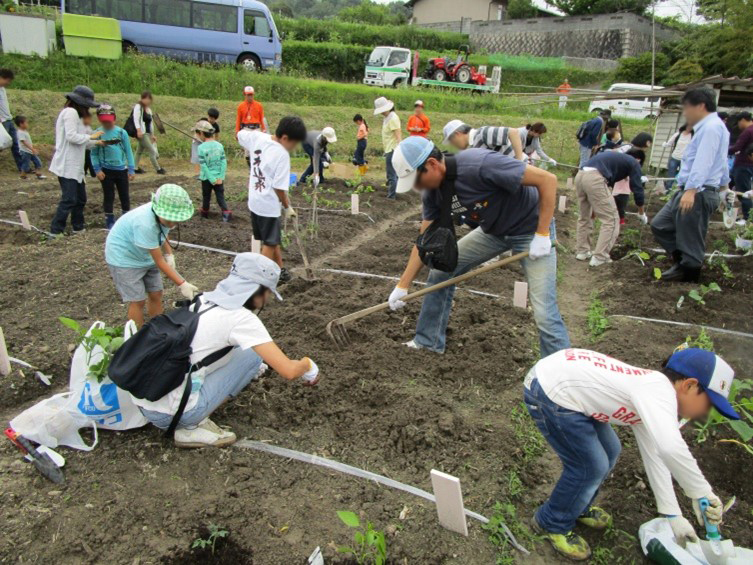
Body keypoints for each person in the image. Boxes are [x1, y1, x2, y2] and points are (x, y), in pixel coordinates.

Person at [525, 346, 737, 561]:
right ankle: (551, 522)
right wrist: (702, 492)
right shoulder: (658, 392)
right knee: (591, 466)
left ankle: (577, 506)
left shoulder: (655, 394)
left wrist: (673, 514)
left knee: (611, 451)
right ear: (690, 385)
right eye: (707, 403)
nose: (705, 412)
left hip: (570, 388)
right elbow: (670, 447)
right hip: (551, 392)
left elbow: (655, 452)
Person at [386, 136, 570, 356]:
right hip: (493, 232)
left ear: (432, 164)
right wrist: (402, 286)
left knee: (543, 311)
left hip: (530, 228)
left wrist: (541, 234)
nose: (417, 188)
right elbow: (424, 240)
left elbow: (548, 180)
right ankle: (428, 343)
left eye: (417, 180)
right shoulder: (433, 192)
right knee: (440, 272)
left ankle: (560, 372)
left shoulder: (478, 165)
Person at [134, 253, 320, 448]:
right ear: (258, 291)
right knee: (254, 355)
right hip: (173, 416)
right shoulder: (242, 319)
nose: (267, 299)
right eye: (268, 293)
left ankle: (189, 409)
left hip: (145, 401)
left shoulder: (202, 301)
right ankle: (192, 426)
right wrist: (308, 364)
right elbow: (289, 371)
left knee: (242, 351)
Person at [651, 88, 729, 283]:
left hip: (697, 192)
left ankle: (690, 276)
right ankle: (681, 263)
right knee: (660, 225)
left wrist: (692, 190)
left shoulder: (712, 128)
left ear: (701, 106)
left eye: (687, 107)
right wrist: (724, 186)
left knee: (691, 237)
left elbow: (703, 161)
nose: (685, 112)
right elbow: (721, 162)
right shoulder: (709, 127)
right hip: (689, 189)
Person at [105, 184, 199, 326]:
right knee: (137, 300)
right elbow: (159, 261)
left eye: (176, 220)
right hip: (124, 258)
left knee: (156, 293)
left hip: (144, 254)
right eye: (169, 220)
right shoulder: (145, 223)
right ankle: (137, 337)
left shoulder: (162, 216)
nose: (172, 224)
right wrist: (182, 283)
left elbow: (161, 235)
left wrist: (169, 254)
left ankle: (158, 328)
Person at [238, 116, 307, 283]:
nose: (294, 148)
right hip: (268, 206)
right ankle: (256, 280)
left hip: (254, 201)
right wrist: (287, 206)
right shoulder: (282, 155)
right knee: (269, 243)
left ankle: (280, 270)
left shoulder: (258, 137)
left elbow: (240, 134)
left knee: (271, 239)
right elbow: (279, 188)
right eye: (294, 143)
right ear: (284, 138)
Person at [49, 86, 105, 236]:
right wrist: (91, 137)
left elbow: (85, 142)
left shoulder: (80, 118)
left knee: (80, 199)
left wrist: (98, 142)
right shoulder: (70, 113)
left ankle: (78, 227)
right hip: (67, 164)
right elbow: (72, 137)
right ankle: (55, 231)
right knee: (69, 199)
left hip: (76, 165)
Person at [575, 150, 647, 266]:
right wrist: (641, 212)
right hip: (595, 178)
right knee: (612, 219)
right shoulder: (634, 163)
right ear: (639, 159)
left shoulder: (616, 158)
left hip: (580, 175)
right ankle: (600, 257)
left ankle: (582, 251)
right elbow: (637, 189)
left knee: (585, 216)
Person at [90, 104, 135, 230]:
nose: (107, 123)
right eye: (104, 120)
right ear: (99, 119)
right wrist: (97, 170)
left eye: (109, 120)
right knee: (109, 195)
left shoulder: (121, 132)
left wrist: (131, 169)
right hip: (106, 171)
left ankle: (126, 218)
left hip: (121, 170)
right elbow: (93, 153)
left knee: (124, 195)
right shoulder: (97, 133)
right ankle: (109, 219)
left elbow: (128, 151)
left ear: (114, 118)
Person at [195, 120, 230, 222]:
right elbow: (224, 163)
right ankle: (226, 215)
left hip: (206, 178)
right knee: (220, 197)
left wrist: (211, 179)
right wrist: (220, 177)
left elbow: (204, 166)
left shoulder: (201, 148)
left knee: (206, 197)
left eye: (197, 133)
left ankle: (205, 214)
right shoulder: (219, 145)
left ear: (201, 133)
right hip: (219, 178)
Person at [443, 119, 524, 161]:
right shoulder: (473, 147)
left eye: (451, 141)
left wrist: (519, 163)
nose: (453, 145)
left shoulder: (482, 133)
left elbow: (513, 132)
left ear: (458, 134)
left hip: (525, 174)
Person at [728, 111, 753, 223]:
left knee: (743, 192)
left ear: (742, 120)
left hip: (743, 164)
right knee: (729, 185)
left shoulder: (747, 131)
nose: (738, 126)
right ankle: (727, 209)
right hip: (748, 164)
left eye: (738, 122)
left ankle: (748, 218)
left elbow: (737, 147)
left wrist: (722, 150)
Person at [374, 96, 401, 199]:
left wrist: (399, 148)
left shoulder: (393, 118)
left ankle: (391, 197)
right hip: (389, 148)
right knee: (393, 174)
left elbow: (398, 134)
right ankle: (395, 192)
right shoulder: (387, 117)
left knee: (391, 175)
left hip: (393, 149)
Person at [133, 91, 166, 175]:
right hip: (142, 133)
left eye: (148, 99)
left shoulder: (149, 110)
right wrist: (138, 130)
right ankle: (158, 169)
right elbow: (136, 119)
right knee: (152, 151)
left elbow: (150, 123)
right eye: (145, 98)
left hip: (147, 133)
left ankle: (134, 167)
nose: (147, 100)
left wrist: (152, 134)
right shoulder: (138, 107)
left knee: (139, 151)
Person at [0, 68, 25, 173]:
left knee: (16, 144)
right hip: (2, 121)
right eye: (8, 80)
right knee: (1, 144)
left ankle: (23, 168)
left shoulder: (2, 89)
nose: (8, 83)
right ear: (2, 78)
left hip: (8, 119)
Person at [13, 115, 47, 180]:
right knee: (26, 164)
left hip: (29, 151)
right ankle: (23, 176)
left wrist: (32, 148)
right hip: (25, 151)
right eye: (26, 123)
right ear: (21, 124)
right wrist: (32, 149)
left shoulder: (24, 131)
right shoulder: (20, 133)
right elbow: (24, 142)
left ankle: (38, 174)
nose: (27, 124)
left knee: (38, 162)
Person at [663, 124, 692, 192]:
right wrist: (665, 144)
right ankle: (668, 189)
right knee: (671, 174)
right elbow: (669, 143)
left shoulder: (693, 136)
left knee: (682, 175)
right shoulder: (678, 134)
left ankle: (679, 190)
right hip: (675, 157)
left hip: (685, 160)